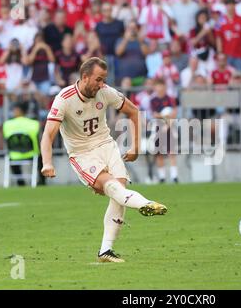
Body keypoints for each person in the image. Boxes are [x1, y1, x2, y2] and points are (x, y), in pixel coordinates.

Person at [40, 57, 168, 263]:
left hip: (107, 145)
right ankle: (145, 204)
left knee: (119, 191)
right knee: (112, 187)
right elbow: (48, 134)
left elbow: (133, 111)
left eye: (103, 80)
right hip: (82, 153)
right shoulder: (64, 98)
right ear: (85, 77)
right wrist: (47, 162)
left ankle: (105, 251)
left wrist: (135, 147)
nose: (101, 84)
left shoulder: (105, 92)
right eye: (98, 80)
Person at [3, 101, 44, 186]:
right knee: (43, 156)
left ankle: (20, 182)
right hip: (31, 153)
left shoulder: (7, 124)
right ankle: (42, 181)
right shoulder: (34, 123)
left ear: (18, 110)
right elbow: (38, 139)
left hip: (14, 154)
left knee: (11, 157)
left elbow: (6, 139)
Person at [149, 78, 178, 183]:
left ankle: (174, 176)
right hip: (158, 127)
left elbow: (174, 113)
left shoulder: (170, 99)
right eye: (157, 86)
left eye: (161, 85)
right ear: (155, 87)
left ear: (165, 87)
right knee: (159, 153)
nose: (160, 88)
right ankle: (162, 177)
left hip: (170, 127)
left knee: (171, 152)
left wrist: (168, 124)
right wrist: (164, 115)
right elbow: (154, 114)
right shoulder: (153, 100)